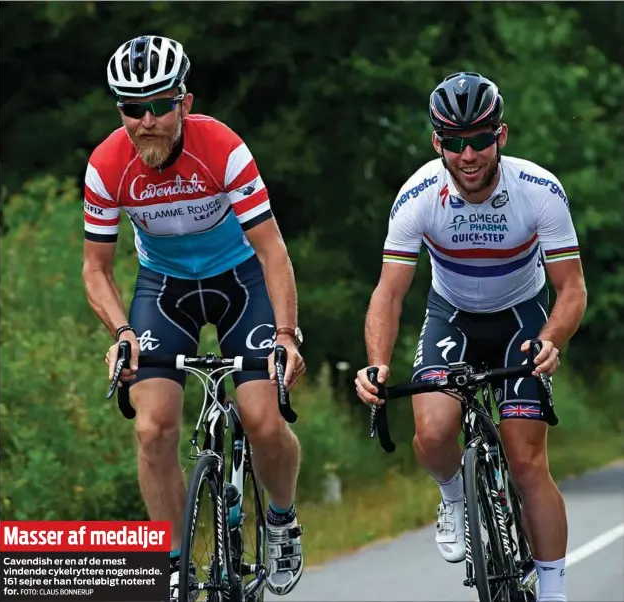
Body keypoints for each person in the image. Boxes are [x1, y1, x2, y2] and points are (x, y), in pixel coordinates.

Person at [82, 35, 305, 600]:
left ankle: (280, 518)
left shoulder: (223, 149)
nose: (148, 120)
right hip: (164, 290)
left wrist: (284, 336)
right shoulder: (107, 164)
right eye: (134, 108)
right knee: (152, 427)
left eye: (160, 104)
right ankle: (176, 561)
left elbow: (272, 251)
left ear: (185, 101)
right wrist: (123, 334)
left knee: (263, 417)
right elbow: (96, 270)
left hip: (240, 280)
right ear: (121, 112)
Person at [355, 72, 586, 602]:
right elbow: (388, 294)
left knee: (527, 461)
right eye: (454, 143)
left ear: (500, 136)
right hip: (451, 317)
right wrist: (377, 363)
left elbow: (571, 288)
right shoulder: (417, 196)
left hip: (522, 319)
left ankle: (553, 591)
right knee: (434, 434)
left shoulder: (538, 191)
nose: (468, 154)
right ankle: (453, 494)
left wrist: (552, 338)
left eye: (480, 139)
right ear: (437, 143)